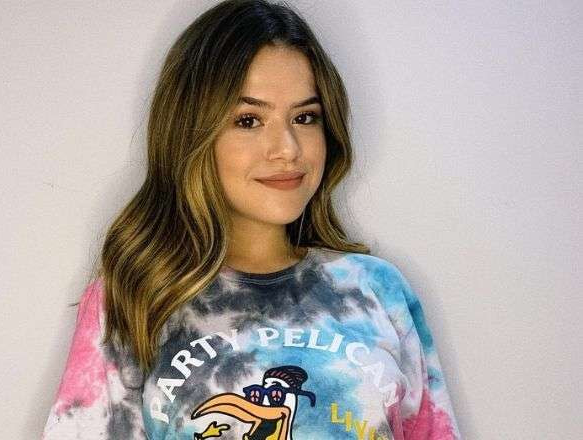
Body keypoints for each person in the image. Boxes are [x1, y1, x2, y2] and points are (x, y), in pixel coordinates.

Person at [41, 0, 460, 439]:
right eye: (249, 120)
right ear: (192, 133)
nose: (287, 148)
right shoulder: (135, 296)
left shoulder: (376, 290)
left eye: (305, 117)